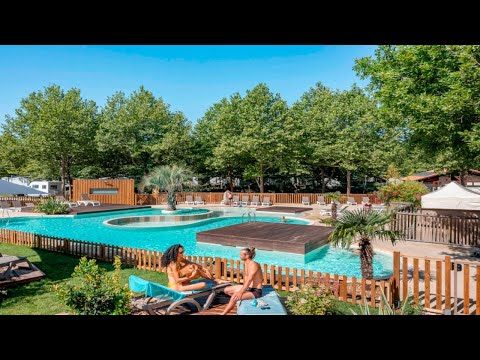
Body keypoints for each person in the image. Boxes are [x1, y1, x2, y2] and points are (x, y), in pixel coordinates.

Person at [221, 247, 263, 315]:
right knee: (226, 290)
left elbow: (249, 280)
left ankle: (223, 313)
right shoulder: (245, 263)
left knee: (235, 296)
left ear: (247, 256)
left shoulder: (254, 265)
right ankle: (235, 302)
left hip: (255, 291)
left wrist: (240, 292)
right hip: (248, 288)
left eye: (241, 254)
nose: (239, 256)